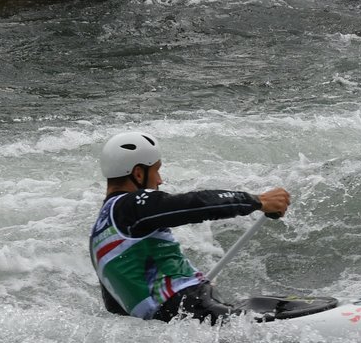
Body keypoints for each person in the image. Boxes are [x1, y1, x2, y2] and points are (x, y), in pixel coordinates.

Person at [90, 130, 291, 323]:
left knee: (265, 304)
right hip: (190, 307)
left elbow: (116, 305)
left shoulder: (100, 231)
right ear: (138, 173)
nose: (160, 180)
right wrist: (257, 201)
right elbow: (194, 204)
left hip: (173, 321)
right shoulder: (131, 205)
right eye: (156, 170)